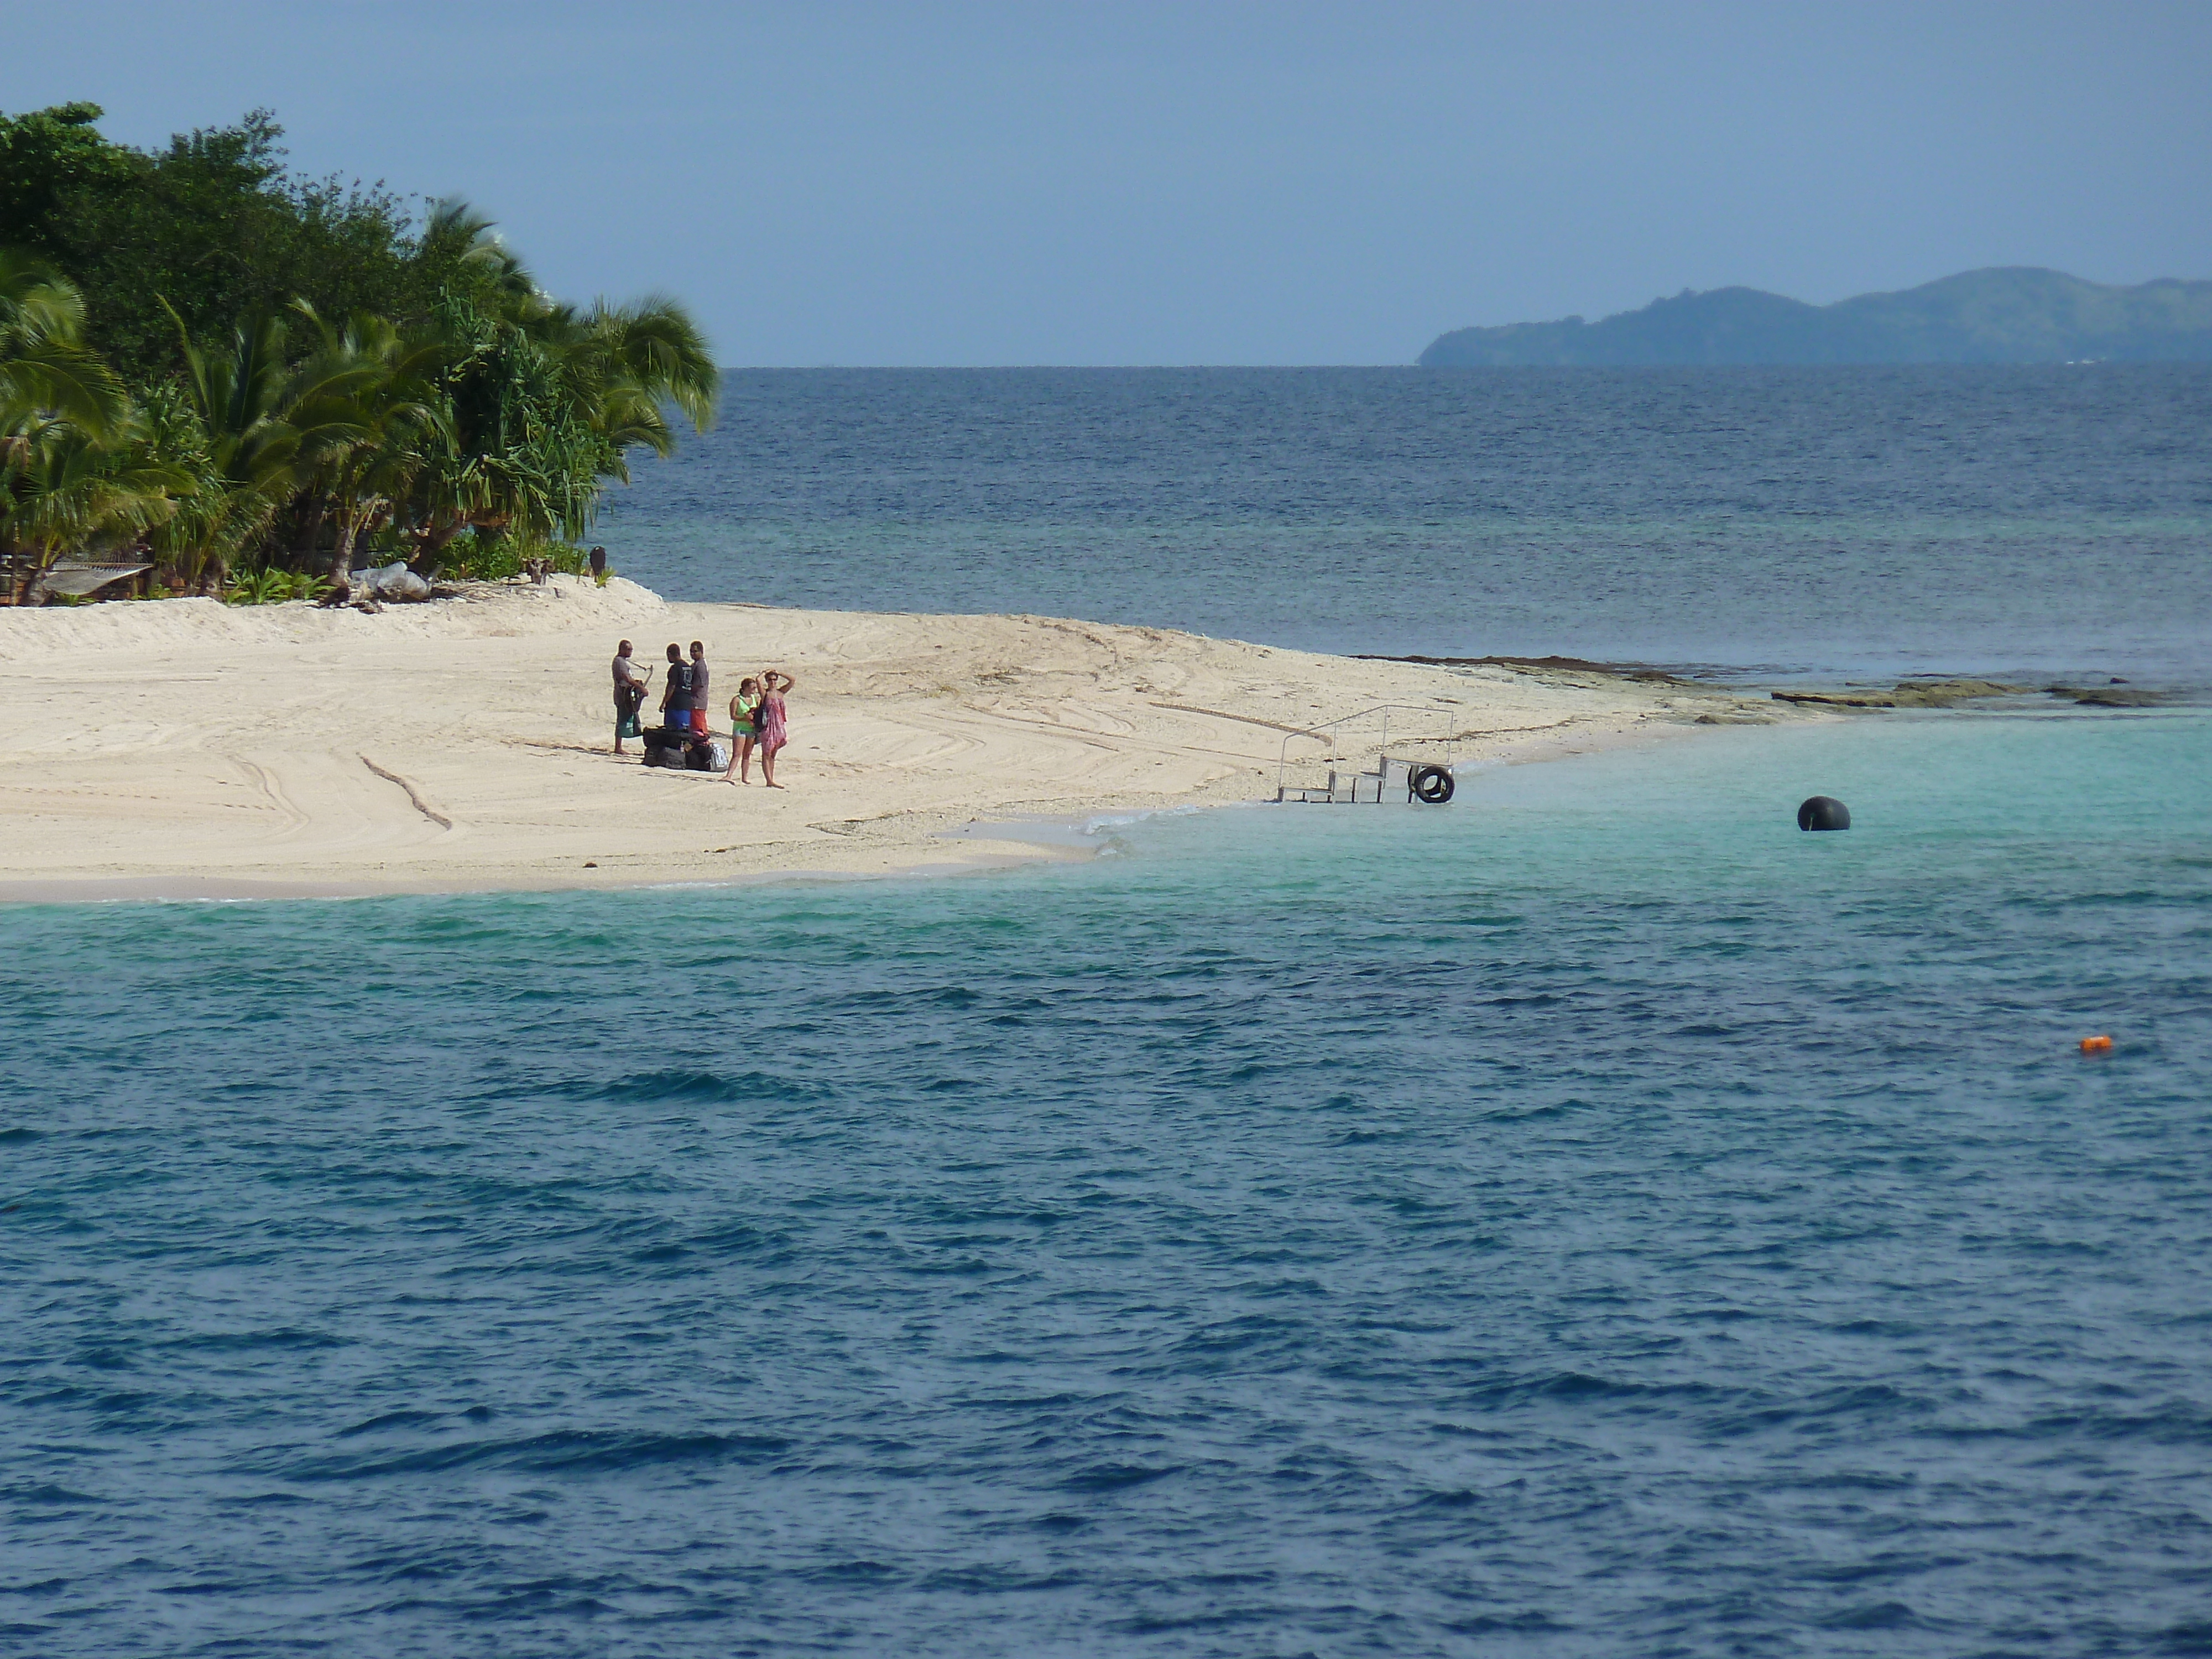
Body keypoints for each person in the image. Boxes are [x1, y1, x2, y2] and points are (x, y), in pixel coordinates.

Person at [755, 670, 794, 788]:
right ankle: (769, 780)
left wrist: (780, 672)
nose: (772, 682)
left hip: (779, 726)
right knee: (766, 753)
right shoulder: (765, 694)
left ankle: (771, 778)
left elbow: (792, 680)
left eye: (774, 679)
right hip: (768, 726)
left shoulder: (781, 692)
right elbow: (758, 681)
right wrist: (764, 673)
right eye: (770, 680)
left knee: (773, 754)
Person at [611, 640, 649, 754]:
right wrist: (641, 688)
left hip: (627, 693)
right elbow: (627, 678)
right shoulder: (619, 661)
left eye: (631, 650)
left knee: (628, 718)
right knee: (621, 719)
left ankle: (619, 746)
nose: (630, 652)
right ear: (622, 649)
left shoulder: (624, 661)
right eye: (628, 649)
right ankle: (618, 747)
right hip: (622, 694)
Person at [723, 677, 762, 783]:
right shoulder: (737, 700)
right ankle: (729, 775)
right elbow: (733, 716)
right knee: (737, 753)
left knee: (747, 755)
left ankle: (745, 777)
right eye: (752, 687)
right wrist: (745, 718)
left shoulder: (756, 699)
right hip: (740, 728)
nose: (754, 689)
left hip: (751, 729)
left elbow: (760, 713)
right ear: (745, 688)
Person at [659, 643, 693, 735]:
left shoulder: (675, 668)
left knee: (672, 733)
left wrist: (664, 702)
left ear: (670, 655)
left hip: (675, 705)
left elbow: (671, 687)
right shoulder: (687, 667)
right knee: (684, 733)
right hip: (687, 704)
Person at [688, 641, 712, 737]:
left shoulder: (700, 666)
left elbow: (699, 685)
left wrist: (687, 689)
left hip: (698, 702)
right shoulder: (697, 664)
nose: (692, 654)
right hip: (696, 702)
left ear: (701, 651)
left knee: (700, 729)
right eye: (691, 652)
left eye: (695, 651)